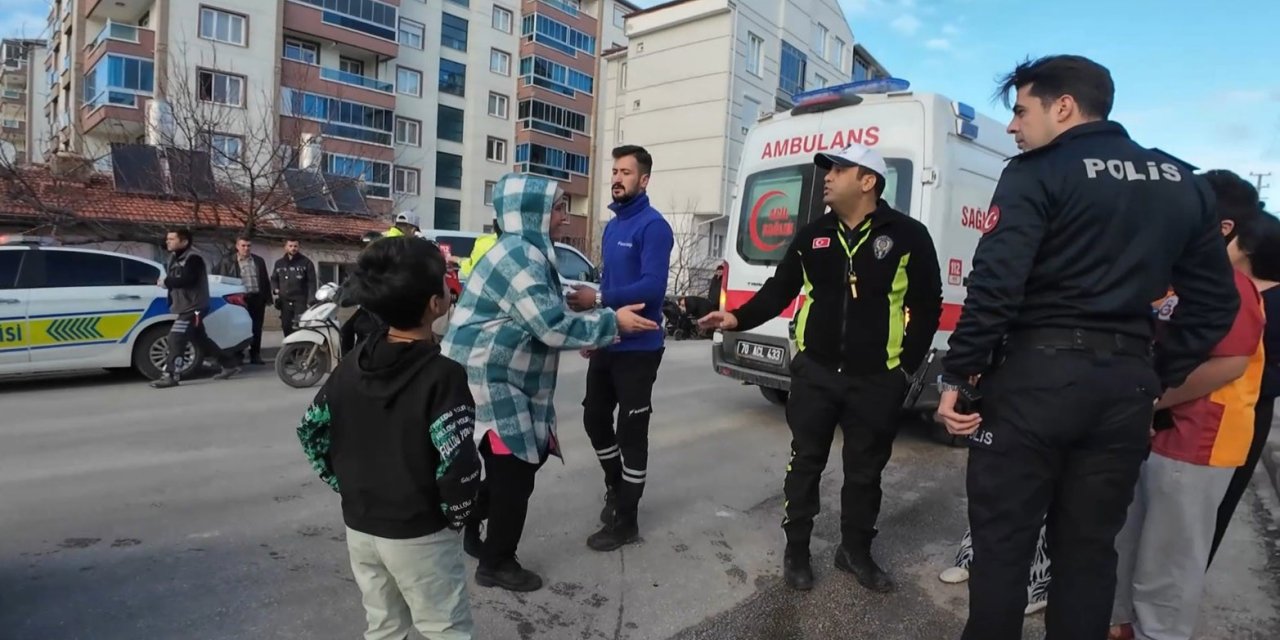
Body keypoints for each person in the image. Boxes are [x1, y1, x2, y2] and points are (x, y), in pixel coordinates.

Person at [933, 55, 1240, 640]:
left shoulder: (1035, 172)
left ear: (1063, 106)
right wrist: (1156, 374)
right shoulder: (1185, 182)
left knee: (1002, 550)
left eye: (1022, 111)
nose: (1015, 127)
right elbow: (1214, 306)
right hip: (1124, 389)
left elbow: (996, 285)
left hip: (1033, 383)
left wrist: (961, 375)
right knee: (1090, 554)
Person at [698, 142, 942, 592]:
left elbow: (927, 307)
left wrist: (905, 369)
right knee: (805, 463)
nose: (827, 176)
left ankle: (855, 552)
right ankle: (796, 550)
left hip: (876, 381)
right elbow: (779, 290)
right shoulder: (813, 236)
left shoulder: (908, 236)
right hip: (815, 375)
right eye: (827, 169)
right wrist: (736, 318)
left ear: (867, 181)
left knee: (865, 473)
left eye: (838, 169)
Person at [443, 173, 658, 593]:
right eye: (558, 208)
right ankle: (497, 561)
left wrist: (591, 321)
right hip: (488, 376)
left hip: (509, 376)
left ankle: (471, 519)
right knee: (515, 469)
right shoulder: (518, 257)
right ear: (532, 213)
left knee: (527, 458)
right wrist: (614, 323)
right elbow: (549, 325)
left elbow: (548, 310)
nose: (564, 216)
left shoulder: (530, 252)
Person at [296, 236, 480, 640]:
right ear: (436, 303)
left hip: (361, 526)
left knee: (384, 626)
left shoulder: (349, 365)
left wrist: (347, 484)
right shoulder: (443, 375)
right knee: (445, 628)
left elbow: (311, 431)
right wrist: (457, 516)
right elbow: (459, 463)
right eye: (446, 281)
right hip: (421, 532)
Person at [1109, 211, 1278, 640]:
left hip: (1201, 437)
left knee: (1170, 562)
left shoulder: (1231, 289)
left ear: (1239, 242)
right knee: (1142, 548)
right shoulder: (1201, 280)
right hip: (1169, 435)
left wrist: (1151, 401)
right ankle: (1129, 627)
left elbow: (1227, 365)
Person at [565, 145, 674, 551]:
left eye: (626, 172)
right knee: (594, 419)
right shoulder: (613, 227)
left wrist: (596, 299)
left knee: (632, 430)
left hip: (641, 346)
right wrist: (598, 329)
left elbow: (652, 288)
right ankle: (616, 486)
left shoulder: (654, 227)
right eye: (614, 170)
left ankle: (628, 518)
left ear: (643, 180)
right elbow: (613, 285)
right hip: (610, 340)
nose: (617, 178)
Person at [1208, 175, 1276, 565]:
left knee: (1202, 523)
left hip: (1229, 420)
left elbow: (1236, 364)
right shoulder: (1222, 287)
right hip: (1209, 419)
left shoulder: (1244, 294)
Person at [152, 228, 242, 388]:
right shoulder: (174, 257)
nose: (168, 241)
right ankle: (229, 364)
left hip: (194, 307)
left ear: (184, 242)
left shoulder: (193, 258)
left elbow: (188, 279)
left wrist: (167, 282)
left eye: (172, 239)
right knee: (201, 339)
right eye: (168, 239)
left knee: (176, 337)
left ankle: (171, 375)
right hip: (185, 305)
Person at [214, 235, 272, 365]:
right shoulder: (228, 261)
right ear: (237, 246)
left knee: (256, 327)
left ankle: (255, 354)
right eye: (243, 246)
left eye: (248, 246)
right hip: (239, 300)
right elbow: (222, 280)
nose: (246, 248)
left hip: (257, 297)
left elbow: (264, 280)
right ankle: (237, 355)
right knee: (239, 327)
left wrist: (267, 298)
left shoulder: (258, 261)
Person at [271, 238, 317, 336]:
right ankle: (289, 349)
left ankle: (300, 349)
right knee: (286, 325)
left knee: (300, 326)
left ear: (299, 247)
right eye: (290, 246)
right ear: (285, 247)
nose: (293, 248)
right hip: (284, 301)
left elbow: (312, 283)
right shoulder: (279, 263)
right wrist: (275, 289)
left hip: (300, 301)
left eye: (295, 246)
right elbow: (274, 279)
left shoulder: (306, 262)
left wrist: (311, 300)